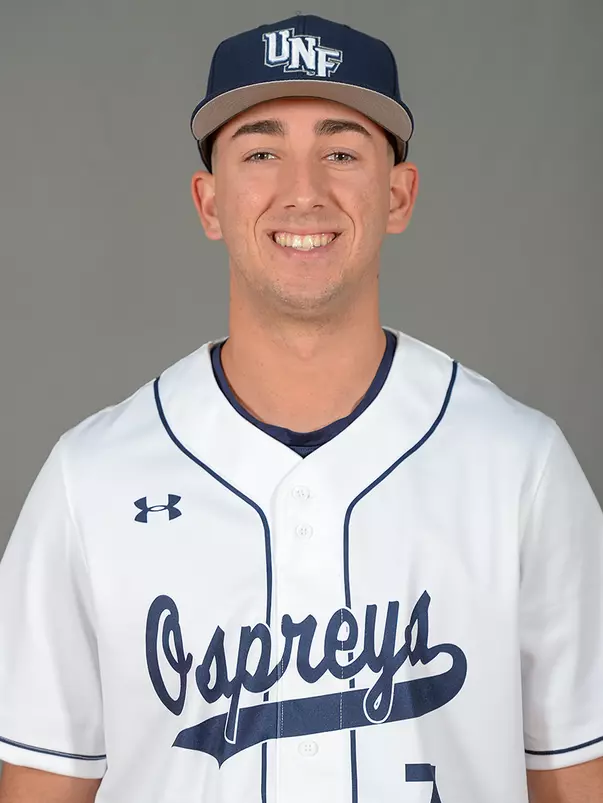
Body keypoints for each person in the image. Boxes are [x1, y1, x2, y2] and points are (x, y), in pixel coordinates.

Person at [0, 13, 602, 803]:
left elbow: (577, 778)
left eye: (341, 151)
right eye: (260, 152)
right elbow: (40, 787)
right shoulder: (91, 481)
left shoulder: (519, 467)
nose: (303, 190)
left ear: (398, 194)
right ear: (208, 202)